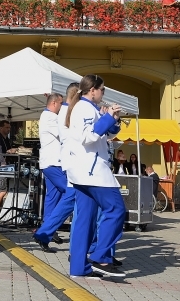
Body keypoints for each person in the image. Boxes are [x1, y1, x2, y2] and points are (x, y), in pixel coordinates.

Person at [64, 74, 125, 279]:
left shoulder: (87, 108)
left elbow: (105, 135)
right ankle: (100, 257)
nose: (103, 93)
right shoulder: (83, 108)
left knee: (85, 219)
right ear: (93, 90)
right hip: (92, 171)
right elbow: (87, 136)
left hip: (84, 171)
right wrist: (107, 117)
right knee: (116, 210)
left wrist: (113, 120)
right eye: (102, 90)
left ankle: (79, 268)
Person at [33, 92, 71, 253]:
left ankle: (48, 231)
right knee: (71, 193)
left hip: (52, 163)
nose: (62, 107)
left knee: (52, 197)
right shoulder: (49, 117)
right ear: (54, 103)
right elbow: (64, 133)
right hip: (53, 163)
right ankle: (45, 231)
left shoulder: (50, 115)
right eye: (61, 104)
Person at [0, 120, 17, 217]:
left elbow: (6, 151)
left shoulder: (6, 139)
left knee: (1, 190)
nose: (8, 129)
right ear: (1, 128)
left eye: (9, 128)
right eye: (6, 127)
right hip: (0, 167)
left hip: (4, 166)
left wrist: (12, 150)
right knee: (2, 190)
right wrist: (3, 163)